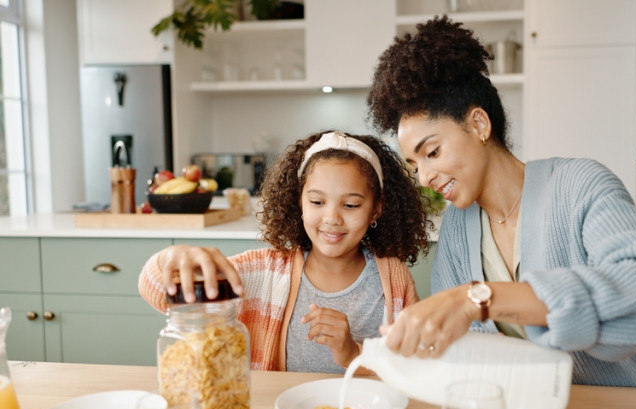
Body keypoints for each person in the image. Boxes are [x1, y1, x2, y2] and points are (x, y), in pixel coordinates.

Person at [366, 16, 636, 409]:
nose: (424, 177)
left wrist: (480, 298)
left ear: (478, 125)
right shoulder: (459, 227)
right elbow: (474, 358)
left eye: (432, 152)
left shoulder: (580, 185)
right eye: (415, 165)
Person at [138, 130, 431, 374]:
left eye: (351, 205)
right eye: (317, 202)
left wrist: (353, 352)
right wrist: (171, 259)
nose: (332, 218)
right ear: (299, 202)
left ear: (375, 208)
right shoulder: (261, 273)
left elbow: (413, 365)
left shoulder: (393, 280)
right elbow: (155, 291)